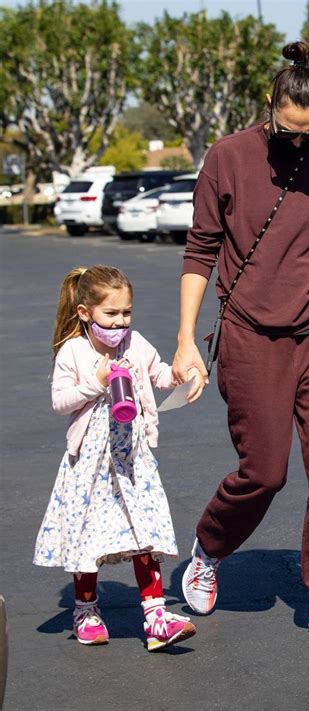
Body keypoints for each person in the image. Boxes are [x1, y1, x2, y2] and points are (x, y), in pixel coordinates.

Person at [173, 41, 309, 644]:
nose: (299, 142)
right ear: (270, 104)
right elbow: (200, 253)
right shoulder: (228, 157)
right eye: (288, 130)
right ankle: (210, 546)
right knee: (264, 472)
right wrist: (186, 340)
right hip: (250, 331)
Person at [34, 265, 205, 651]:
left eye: (126, 312)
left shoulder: (136, 343)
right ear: (85, 313)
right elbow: (60, 402)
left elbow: (159, 375)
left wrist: (181, 372)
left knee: (146, 532)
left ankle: (156, 616)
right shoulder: (74, 351)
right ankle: (86, 609)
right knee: (86, 537)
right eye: (111, 314)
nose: (120, 322)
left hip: (132, 461)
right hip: (89, 465)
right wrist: (95, 382)